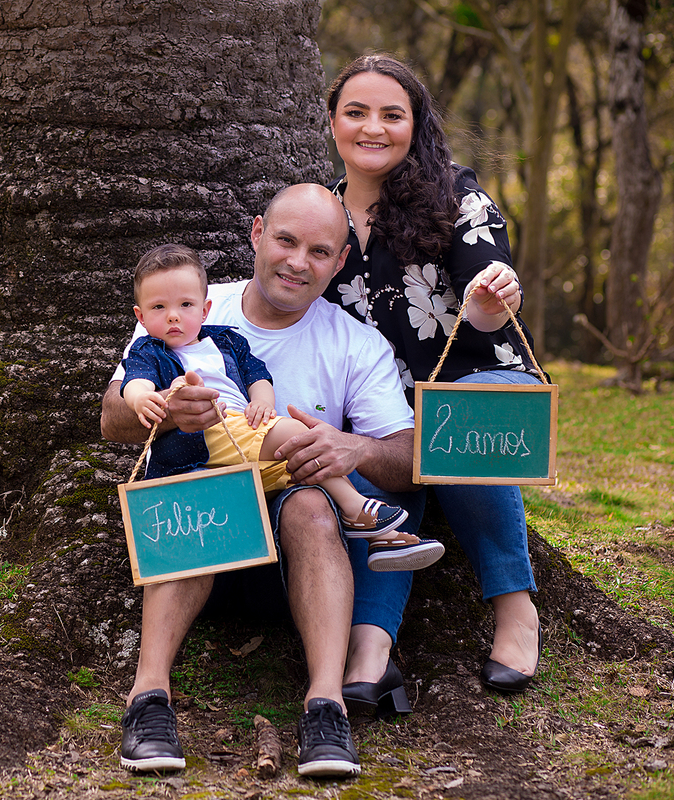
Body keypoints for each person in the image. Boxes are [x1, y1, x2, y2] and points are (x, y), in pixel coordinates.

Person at [101, 183, 419, 778]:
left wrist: (349, 447)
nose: (299, 261)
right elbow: (113, 416)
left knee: (312, 505)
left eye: (320, 251)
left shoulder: (354, 343)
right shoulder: (187, 301)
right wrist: (169, 412)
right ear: (256, 234)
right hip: (196, 539)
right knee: (197, 491)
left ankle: (325, 709)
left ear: (340, 261)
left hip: (293, 557)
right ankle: (148, 701)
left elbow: (406, 458)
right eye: (286, 240)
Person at [323, 53, 544, 714]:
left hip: (482, 380)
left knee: (448, 430)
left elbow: (490, 273)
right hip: (383, 408)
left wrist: (489, 295)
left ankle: (515, 608)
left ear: (414, 124)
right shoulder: (320, 220)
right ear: (332, 122)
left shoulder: (456, 193)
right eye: (356, 112)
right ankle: (370, 648)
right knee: (378, 470)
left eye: (392, 114)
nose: (373, 127)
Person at [121, 242, 443, 571]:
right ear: (141, 317)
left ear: (204, 310)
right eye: (159, 308)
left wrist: (262, 403)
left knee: (306, 471)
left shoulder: (225, 340)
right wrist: (148, 400)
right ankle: (357, 507)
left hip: (240, 446)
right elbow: (134, 383)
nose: (173, 315)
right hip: (204, 441)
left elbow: (257, 376)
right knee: (296, 433)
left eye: (185, 305)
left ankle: (384, 540)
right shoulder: (150, 349)